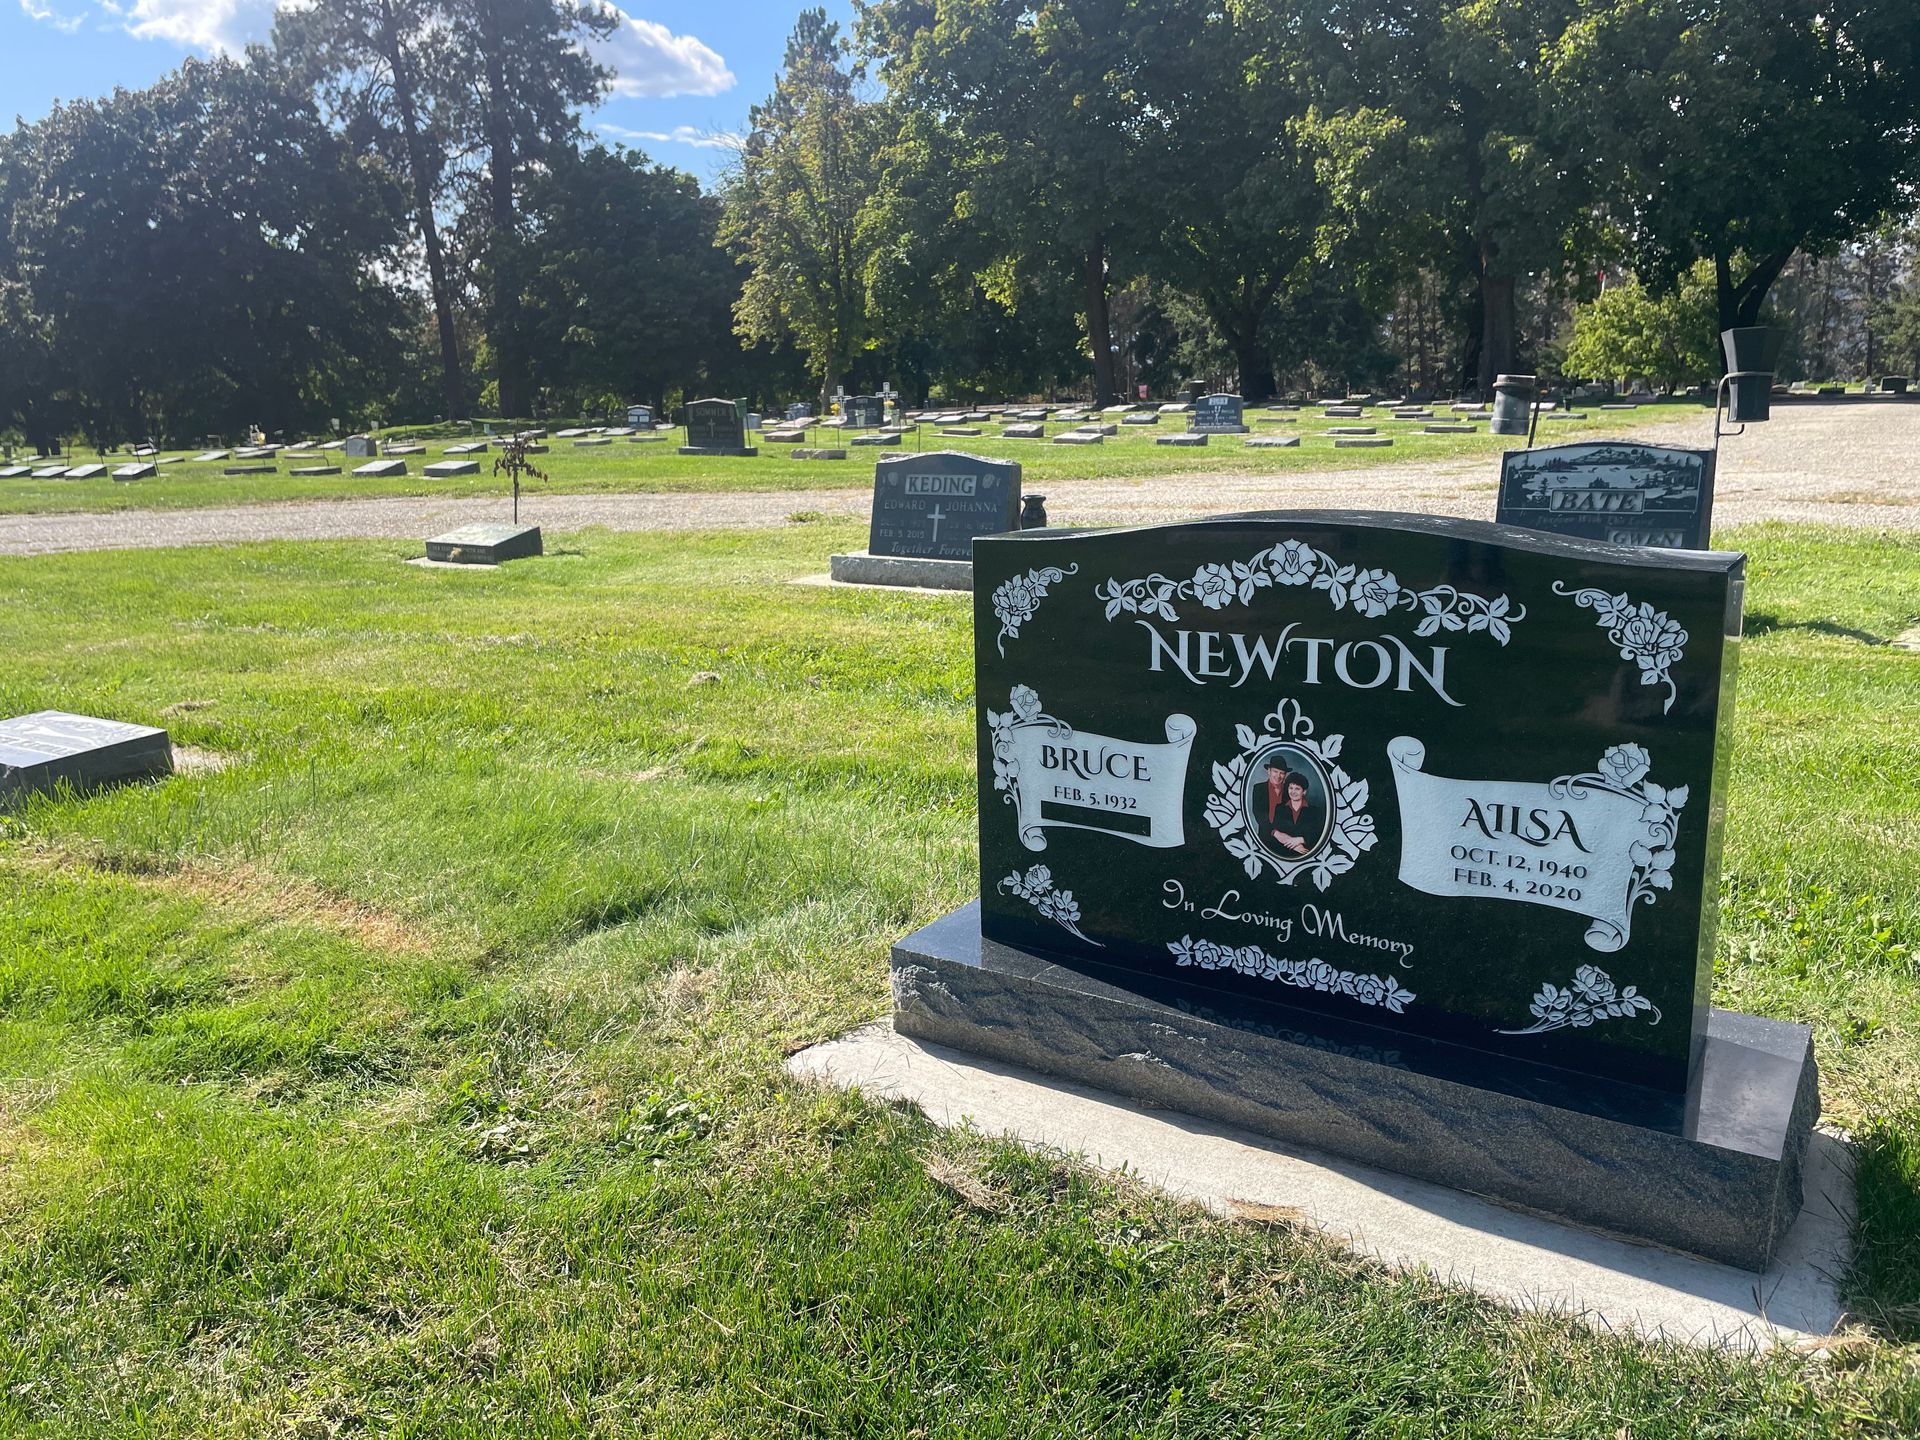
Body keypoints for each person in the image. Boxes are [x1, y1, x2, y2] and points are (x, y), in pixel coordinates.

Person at [1265, 763, 1319, 857]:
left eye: (1297, 789)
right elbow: (1276, 833)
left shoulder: (1314, 811)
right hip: (1283, 854)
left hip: (1307, 855)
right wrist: (1294, 846)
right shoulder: (1279, 808)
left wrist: (1301, 839)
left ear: (1304, 792)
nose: (1293, 792)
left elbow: (1318, 834)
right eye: (1291, 788)